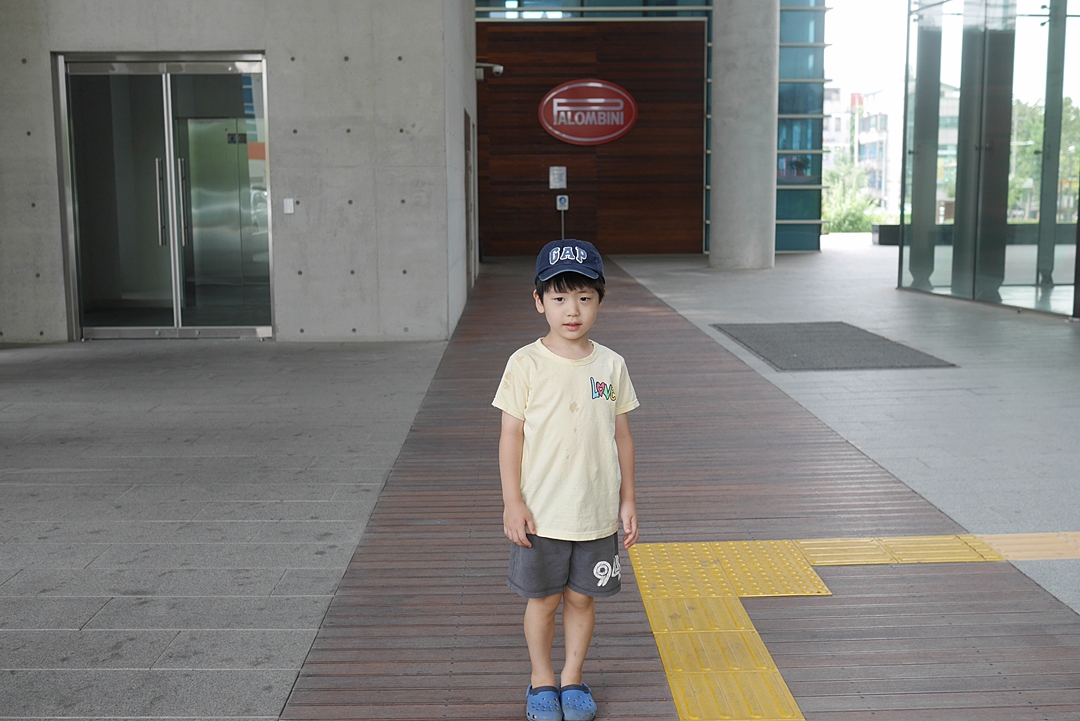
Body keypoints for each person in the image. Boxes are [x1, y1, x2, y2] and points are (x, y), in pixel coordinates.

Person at [493, 239, 640, 721]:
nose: (571, 310)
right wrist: (512, 502)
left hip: (595, 511)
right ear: (539, 301)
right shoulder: (525, 363)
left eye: (583, 297)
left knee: (581, 598)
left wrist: (628, 500)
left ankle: (573, 678)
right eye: (559, 298)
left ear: (599, 301)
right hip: (541, 512)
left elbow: (621, 436)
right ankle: (541, 680)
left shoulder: (611, 364)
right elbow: (511, 436)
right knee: (543, 600)